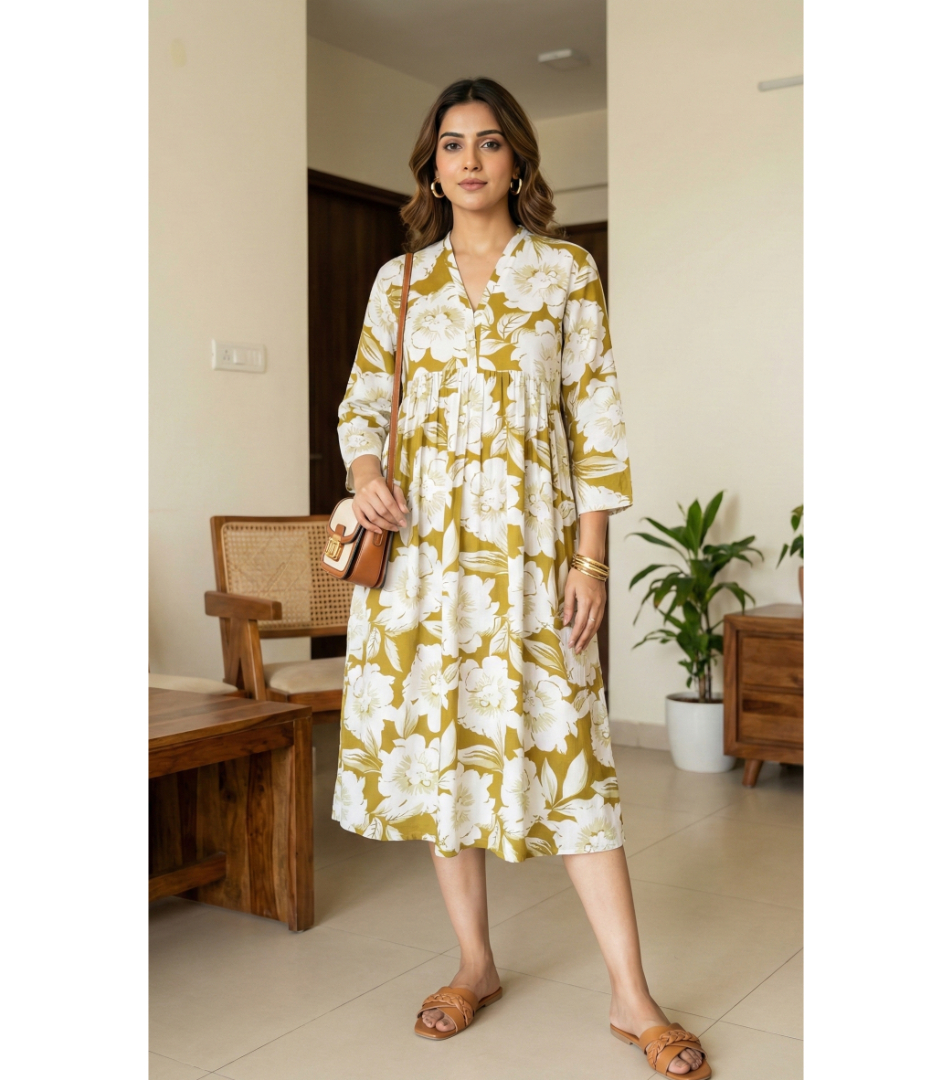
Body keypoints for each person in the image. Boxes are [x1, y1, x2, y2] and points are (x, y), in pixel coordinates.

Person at [331, 77, 710, 1078]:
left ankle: (632, 998)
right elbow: (361, 407)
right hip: (421, 564)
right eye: (452, 144)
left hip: (533, 561)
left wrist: (592, 558)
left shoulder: (566, 273)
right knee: (440, 751)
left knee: (573, 759)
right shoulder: (400, 283)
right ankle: (474, 963)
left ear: (517, 161)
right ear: (432, 166)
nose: (469, 159)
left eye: (489, 142)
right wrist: (366, 476)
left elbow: (598, 423)